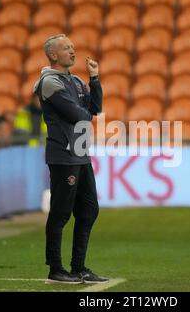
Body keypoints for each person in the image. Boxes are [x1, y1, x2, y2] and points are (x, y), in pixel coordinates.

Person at [33, 34, 108, 285]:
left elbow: (94, 109)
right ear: (53, 55)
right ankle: (55, 268)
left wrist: (94, 78)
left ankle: (79, 268)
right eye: (66, 48)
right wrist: (86, 114)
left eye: (73, 47)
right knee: (61, 213)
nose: (73, 52)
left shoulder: (75, 80)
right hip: (63, 155)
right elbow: (78, 115)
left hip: (81, 154)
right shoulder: (49, 82)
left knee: (89, 210)